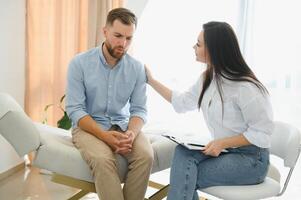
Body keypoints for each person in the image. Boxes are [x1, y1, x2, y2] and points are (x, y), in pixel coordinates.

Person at [145, 21, 274, 200]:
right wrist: (151, 80)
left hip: (251, 160)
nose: (193, 47)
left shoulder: (246, 88)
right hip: (227, 152)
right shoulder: (209, 77)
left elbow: (262, 134)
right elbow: (181, 103)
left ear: (213, 49)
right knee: (183, 153)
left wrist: (222, 143)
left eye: (198, 44)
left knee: (185, 175)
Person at [66, 8, 153, 200]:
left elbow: (139, 109)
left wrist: (131, 133)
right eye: (118, 36)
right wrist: (105, 136)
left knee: (146, 156)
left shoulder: (137, 68)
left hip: (123, 125)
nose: (123, 43)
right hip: (88, 127)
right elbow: (75, 110)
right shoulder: (79, 63)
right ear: (105, 31)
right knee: (103, 159)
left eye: (129, 38)